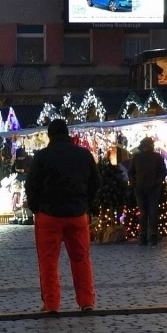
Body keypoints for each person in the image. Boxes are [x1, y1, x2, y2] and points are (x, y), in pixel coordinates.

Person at [24, 119, 99, 314]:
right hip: (77, 214)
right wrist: (86, 205)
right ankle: (86, 301)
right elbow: (95, 182)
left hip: (49, 215)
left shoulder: (42, 156)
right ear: (68, 134)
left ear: (49, 135)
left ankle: (52, 304)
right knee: (81, 258)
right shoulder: (84, 155)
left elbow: (31, 185)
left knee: (48, 260)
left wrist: (36, 208)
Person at [130, 138, 167, 246]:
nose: (146, 148)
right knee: (143, 213)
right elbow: (131, 172)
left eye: (147, 146)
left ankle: (153, 235)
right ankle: (143, 235)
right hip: (140, 189)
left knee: (152, 212)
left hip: (153, 189)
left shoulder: (156, 157)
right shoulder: (136, 157)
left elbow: (163, 172)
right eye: (145, 146)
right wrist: (134, 183)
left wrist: (156, 182)